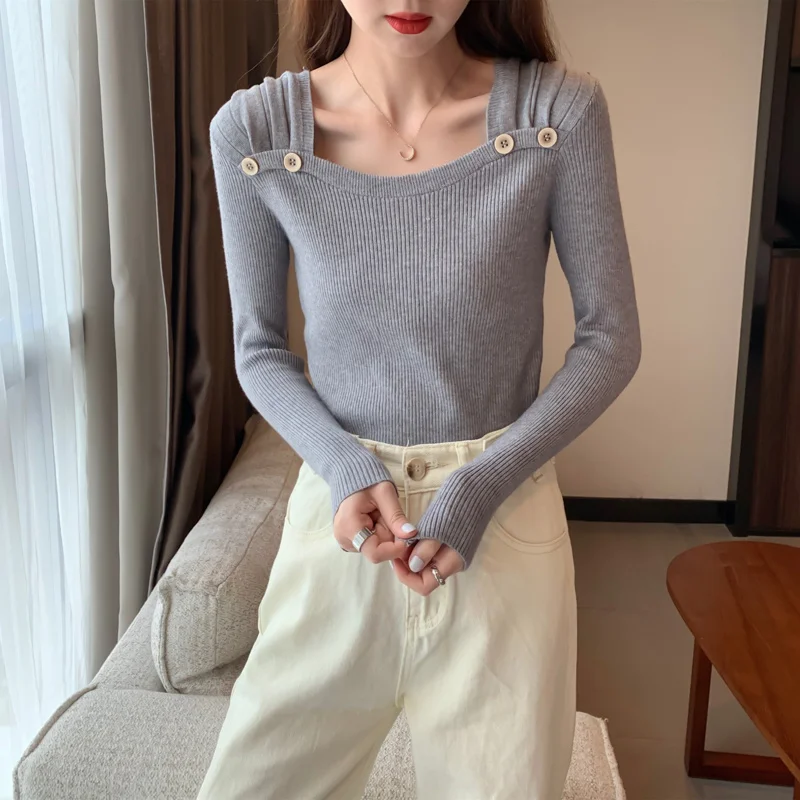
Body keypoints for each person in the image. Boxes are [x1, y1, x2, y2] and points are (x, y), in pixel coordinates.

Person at [198, 0, 641, 796]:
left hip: (503, 530)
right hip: (341, 527)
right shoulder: (254, 133)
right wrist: (342, 465)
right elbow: (259, 350)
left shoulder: (558, 115)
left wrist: (480, 486)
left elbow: (610, 340)